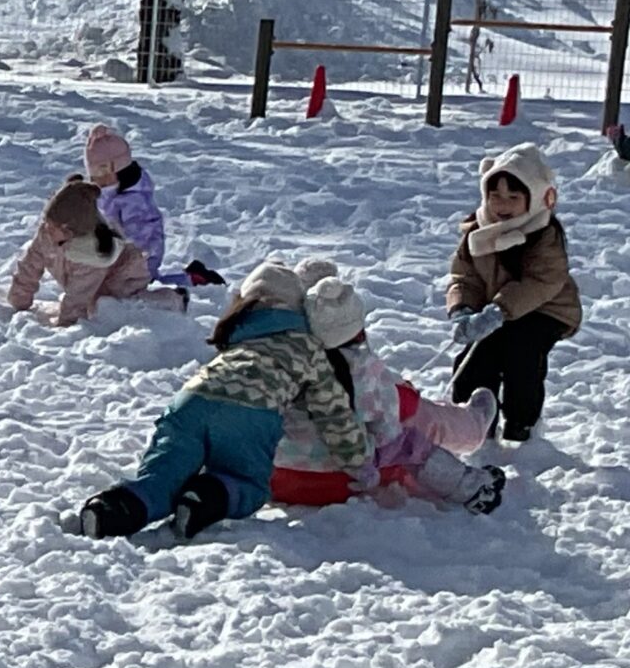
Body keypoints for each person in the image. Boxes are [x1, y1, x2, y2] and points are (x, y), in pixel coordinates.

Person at [74, 262, 368, 540]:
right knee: (246, 482)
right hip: (250, 411)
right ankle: (206, 500)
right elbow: (333, 411)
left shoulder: (237, 334)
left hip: (189, 402)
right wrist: (356, 456)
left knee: (162, 476)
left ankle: (114, 508)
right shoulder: (310, 348)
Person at [274, 274, 505, 514]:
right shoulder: (359, 369)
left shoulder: (279, 365)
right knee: (411, 437)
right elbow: (390, 425)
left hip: (279, 479)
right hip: (343, 479)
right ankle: (472, 474)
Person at [448, 143, 579, 443]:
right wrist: (462, 308)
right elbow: (465, 275)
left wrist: (500, 310)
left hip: (546, 308)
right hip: (495, 310)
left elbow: (543, 281)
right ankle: (474, 424)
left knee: (521, 352)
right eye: (495, 196)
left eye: (513, 197)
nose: (502, 204)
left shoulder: (543, 233)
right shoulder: (477, 231)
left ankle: (522, 425)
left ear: (533, 197)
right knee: (477, 356)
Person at [6, 179, 162, 325]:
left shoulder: (91, 253)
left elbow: (78, 295)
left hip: (124, 277)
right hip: (92, 284)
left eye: (53, 226)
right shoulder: (47, 235)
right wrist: (19, 298)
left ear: (70, 232)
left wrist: (66, 323)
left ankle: (168, 301)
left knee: (115, 304)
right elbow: (30, 265)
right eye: (47, 221)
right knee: (96, 300)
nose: (47, 228)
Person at [82, 124, 208, 287]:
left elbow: (140, 240)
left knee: (131, 288)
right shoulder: (106, 193)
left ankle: (190, 282)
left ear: (112, 170)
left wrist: (116, 254)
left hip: (142, 259)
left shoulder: (134, 202)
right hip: (114, 256)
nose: (93, 180)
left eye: (97, 174)